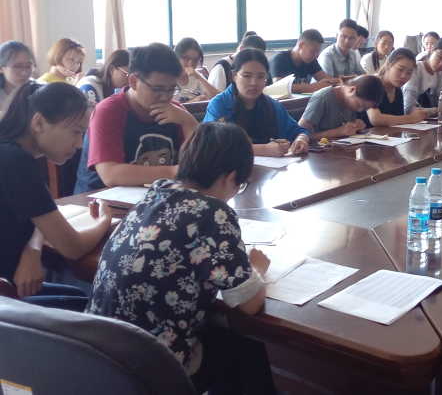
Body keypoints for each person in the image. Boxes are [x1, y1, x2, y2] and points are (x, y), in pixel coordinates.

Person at [86, 121, 276, 394]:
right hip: (150, 370)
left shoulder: (155, 194)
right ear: (230, 176)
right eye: (241, 185)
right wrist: (256, 268)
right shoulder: (212, 212)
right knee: (246, 348)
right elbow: (248, 303)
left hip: (98, 355)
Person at [0, 82, 111, 311]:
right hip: (5, 295)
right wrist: (104, 221)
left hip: (10, 283)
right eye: (76, 132)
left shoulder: (15, 153)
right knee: (86, 306)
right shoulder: (15, 162)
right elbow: (72, 247)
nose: (79, 144)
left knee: (77, 297)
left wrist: (32, 249)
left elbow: (38, 216)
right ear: (39, 123)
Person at [74, 43, 198, 193]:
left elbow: (198, 165)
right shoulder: (108, 111)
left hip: (156, 199)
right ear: (133, 81)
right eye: (157, 89)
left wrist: (188, 122)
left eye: (171, 89)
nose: (165, 97)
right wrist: (175, 172)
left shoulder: (177, 112)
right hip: (99, 200)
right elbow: (110, 174)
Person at [204, 49, 310, 156]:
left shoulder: (272, 105)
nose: (254, 83)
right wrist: (263, 149)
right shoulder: (219, 105)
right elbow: (215, 146)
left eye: (260, 77)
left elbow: (299, 131)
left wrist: (301, 139)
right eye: (247, 76)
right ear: (234, 76)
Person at [299, 75, 384, 140]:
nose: (359, 110)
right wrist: (337, 132)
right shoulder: (323, 97)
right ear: (352, 90)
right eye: (359, 105)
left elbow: (344, 129)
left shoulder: (350, 100)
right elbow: (299, 134)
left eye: (365, 109)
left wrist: (356, 127)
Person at [363, 48, 430, 127]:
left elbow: (399, 120)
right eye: (400, 69)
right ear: (388, 65)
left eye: (409, 73)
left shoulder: (397, 90)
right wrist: (411, 118)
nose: (404, 76)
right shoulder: (372, 84)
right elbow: (375, 119)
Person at [270, 29, 338, 94]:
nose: (316, 55)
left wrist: (338, 81)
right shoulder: (279, 59)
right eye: (313, 51)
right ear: (301, 45)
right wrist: (313, 87)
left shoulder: (311, 60)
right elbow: (278, 87)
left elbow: (326, 79)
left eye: (317, 52)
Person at [403, 36, 442, 114]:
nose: (441, 64)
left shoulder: (439, 74)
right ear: (432, 51)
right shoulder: (415, 68)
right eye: (439, 57)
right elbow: (408, 108)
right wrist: (439, 109)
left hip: (426, 119)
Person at [173, 37, 219, 103]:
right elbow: (168, 107)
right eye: (186, 58)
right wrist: (194, 101)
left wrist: (198, 77)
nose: (190, 64)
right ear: (176, 57)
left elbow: (218, 98)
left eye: (195, 60)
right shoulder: (168, 78)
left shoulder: (196, 76)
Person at [0, 41, 36, 114]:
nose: (24, 73)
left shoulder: (39, 90)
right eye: (17, 66)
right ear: (1, 68)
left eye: (28, 66)